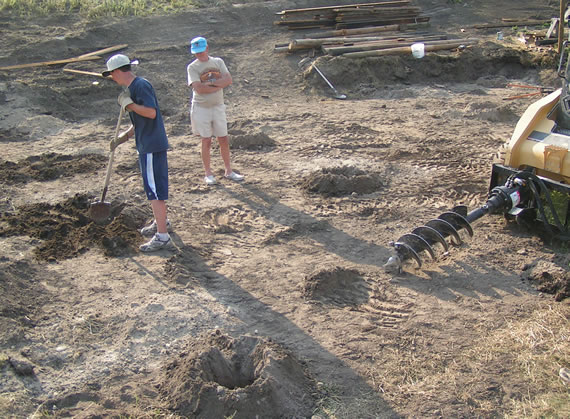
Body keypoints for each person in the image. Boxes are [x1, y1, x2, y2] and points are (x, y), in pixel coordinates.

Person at [103, 53, 173, 252]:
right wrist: (122, 138)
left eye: (112, 74)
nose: (112, 78)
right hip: (148, 143)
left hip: (151, 146)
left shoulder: (140, 86)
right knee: (154, 188)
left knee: (154, 191)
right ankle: (162, 223)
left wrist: (129, 105)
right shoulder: (133, 89)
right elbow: (139, 121)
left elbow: (150, 113)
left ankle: (162, 236)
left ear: (117, 71)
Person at [187, 36, 244, 185]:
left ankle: (228, 171)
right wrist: (218, 84)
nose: (199, 54)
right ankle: (208, 173)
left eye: (201, 51)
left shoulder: (218, 62)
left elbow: (229, 80)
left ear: (207, 48)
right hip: (201, 108)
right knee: (206, 140)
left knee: (223, 138)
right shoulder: (192, 67)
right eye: (196, 52)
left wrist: (210, 84)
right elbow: (199, 89)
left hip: (218, 106)